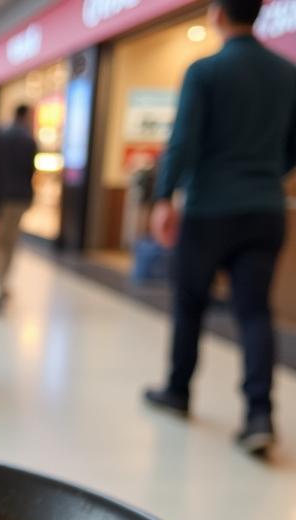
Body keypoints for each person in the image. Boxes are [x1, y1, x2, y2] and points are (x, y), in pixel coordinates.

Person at [143, 0, 296, 456]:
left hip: (209, 208)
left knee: (190, 302)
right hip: (266, 207)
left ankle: (178, 391)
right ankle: (258, 415)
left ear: (217, 14)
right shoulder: (288, 72)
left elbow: (183, 139)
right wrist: (267, 174)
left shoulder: (205, 71)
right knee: (253, 311)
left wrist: (165, 196)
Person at [0, 104, 37, 314]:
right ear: (25, 115)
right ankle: (4, 283)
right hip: (20, 197)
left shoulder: (0, 136)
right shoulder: (29, 140)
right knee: (10, 242)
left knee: (0, 244)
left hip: (0, 198)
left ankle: (1, 286)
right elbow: (31, 171)